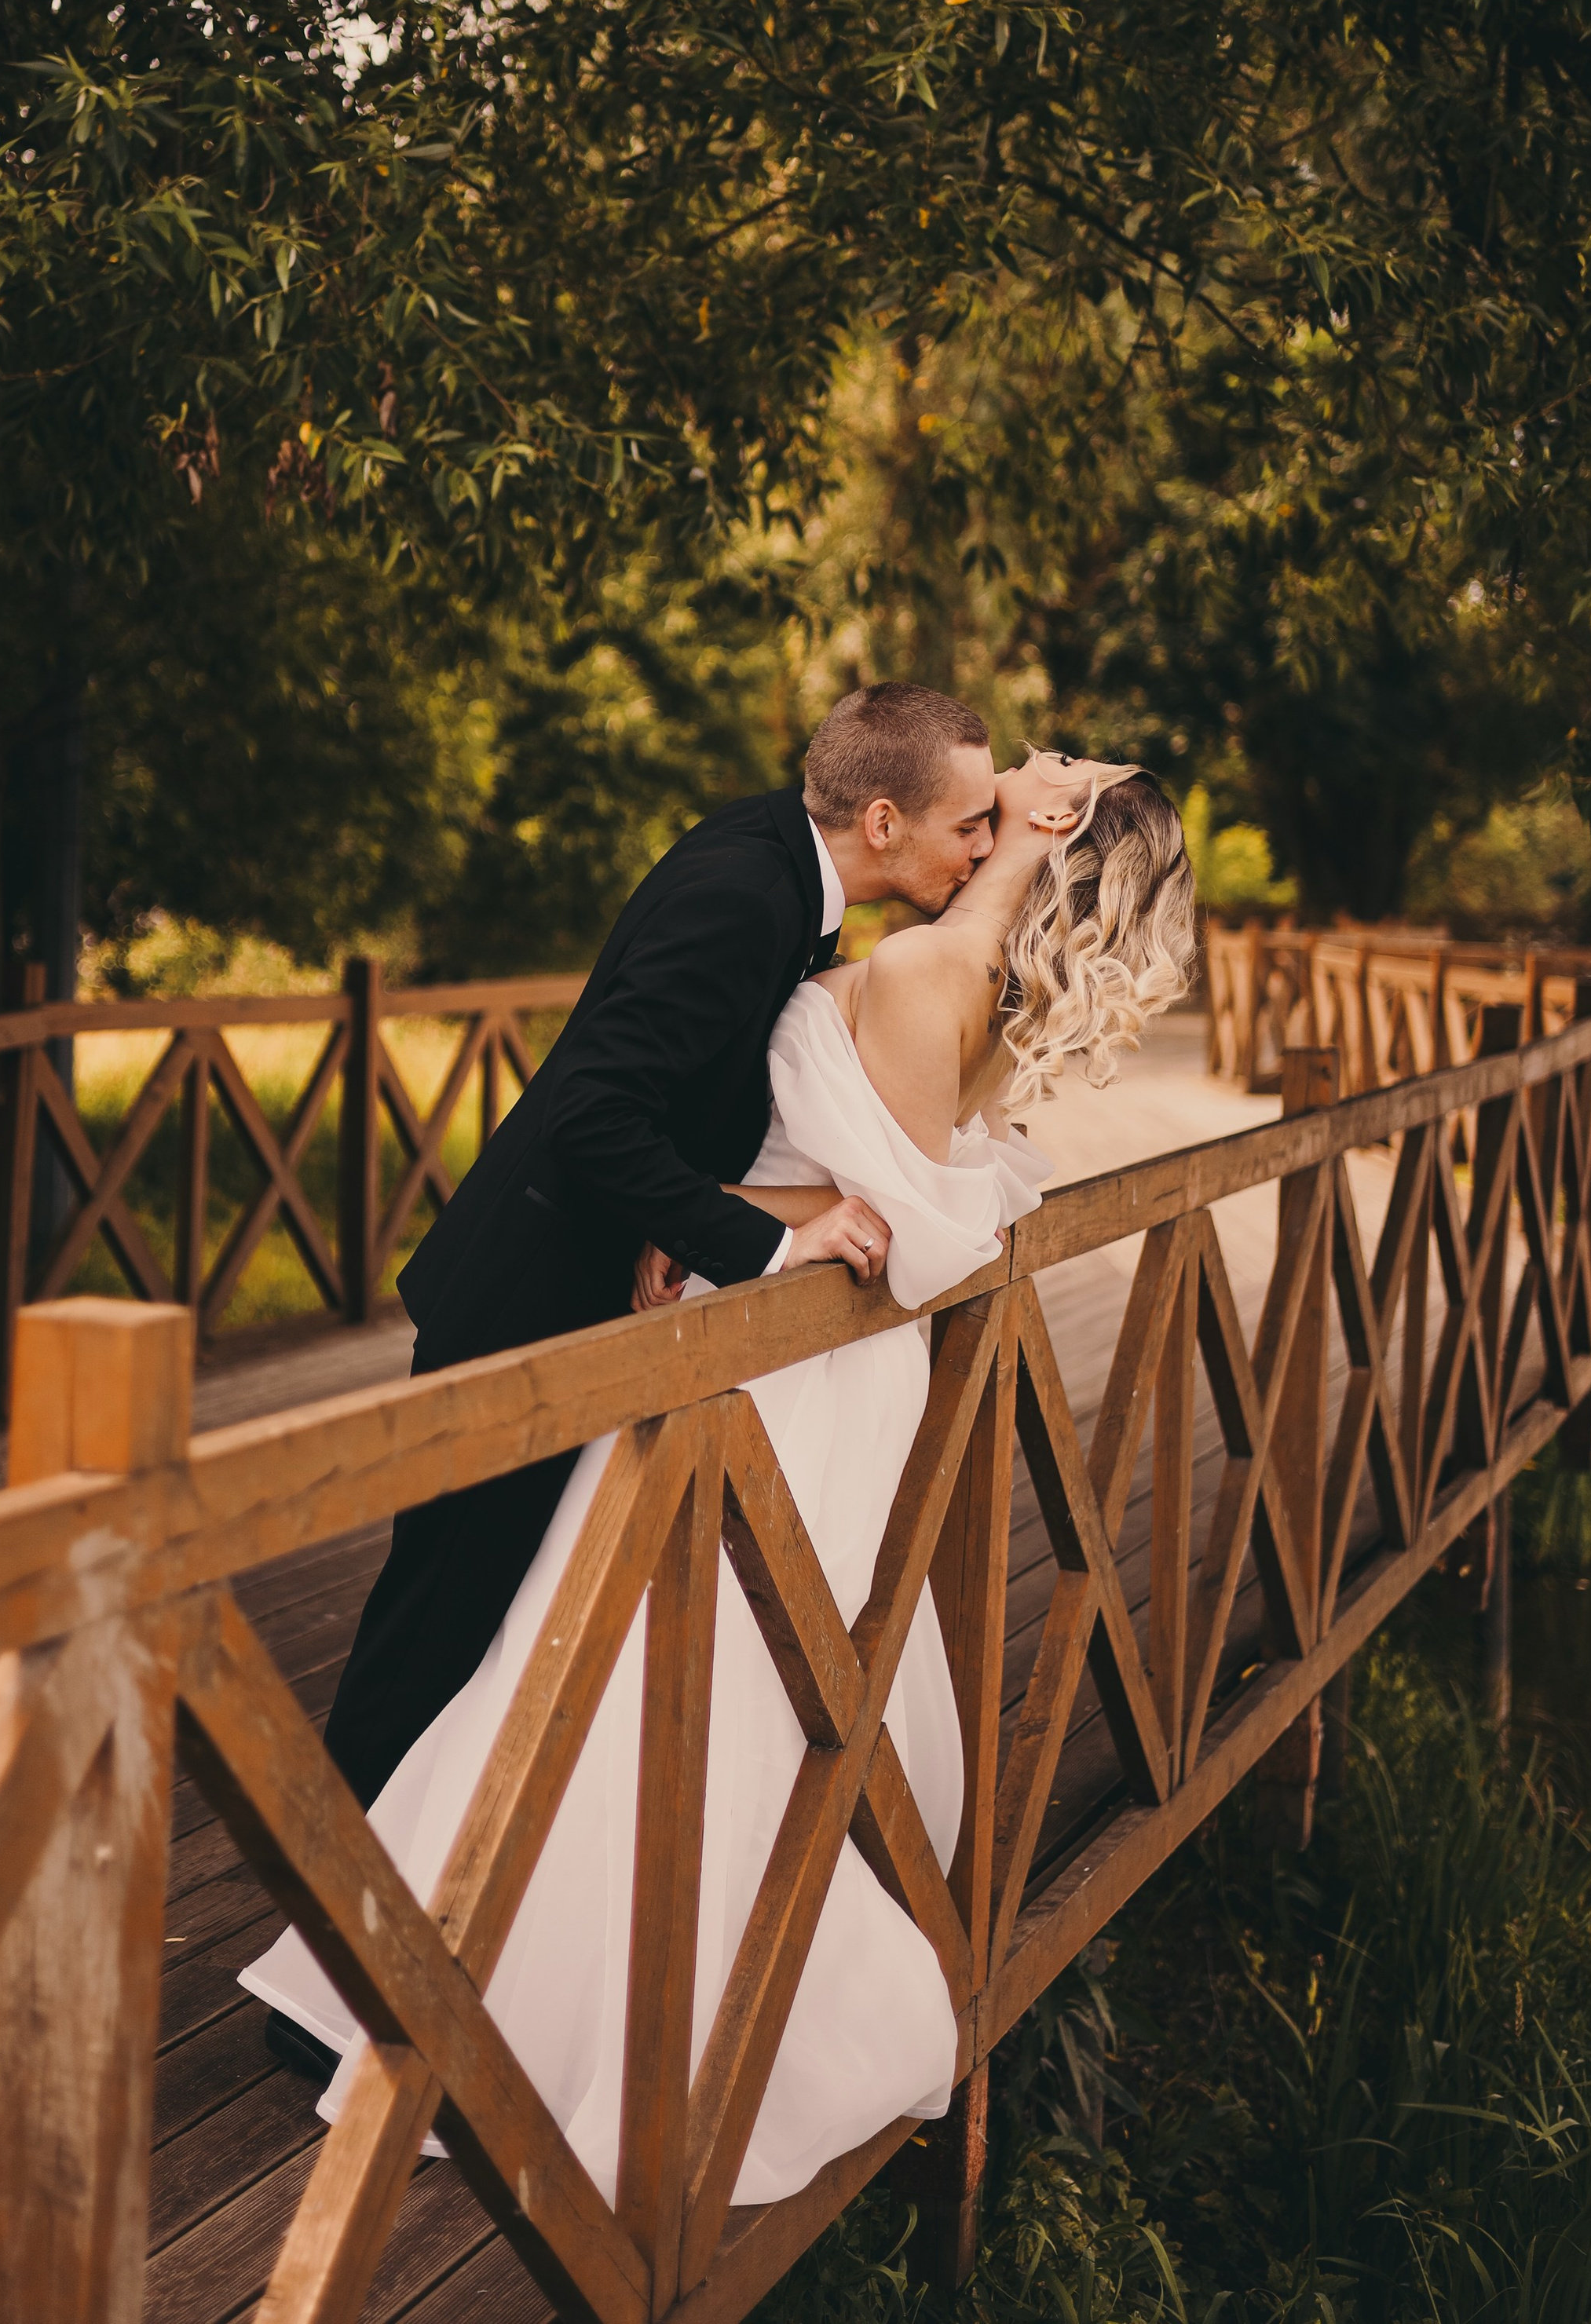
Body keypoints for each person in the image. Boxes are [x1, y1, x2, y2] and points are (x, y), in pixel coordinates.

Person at [244, 742, 1197, 2204]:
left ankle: (443, 1991)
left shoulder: (915, 964)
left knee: (606, 1673)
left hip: (758, 1362)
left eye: (1047, 764)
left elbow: (893, 1214)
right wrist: (744, 1214)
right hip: (777, 1358)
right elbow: (890, 1191)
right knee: (618, 1665)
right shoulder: (944, 964)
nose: (1026, 757)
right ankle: (418, 1957)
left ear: (1051, 816)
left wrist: (737, 1218)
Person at [317, 681, 1000, 1814]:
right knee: (435, 1635)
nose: (979, 852)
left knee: (489, 1626)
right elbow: (591, 1110)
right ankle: (329, 1957)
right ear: (883, 823)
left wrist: (675, 1209)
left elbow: (687, 1078)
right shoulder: (746, 893)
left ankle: (408, 1926)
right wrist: (769, 1246)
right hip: (527, 1302)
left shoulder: (782, 852)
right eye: (968, 824)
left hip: (586, 1277)